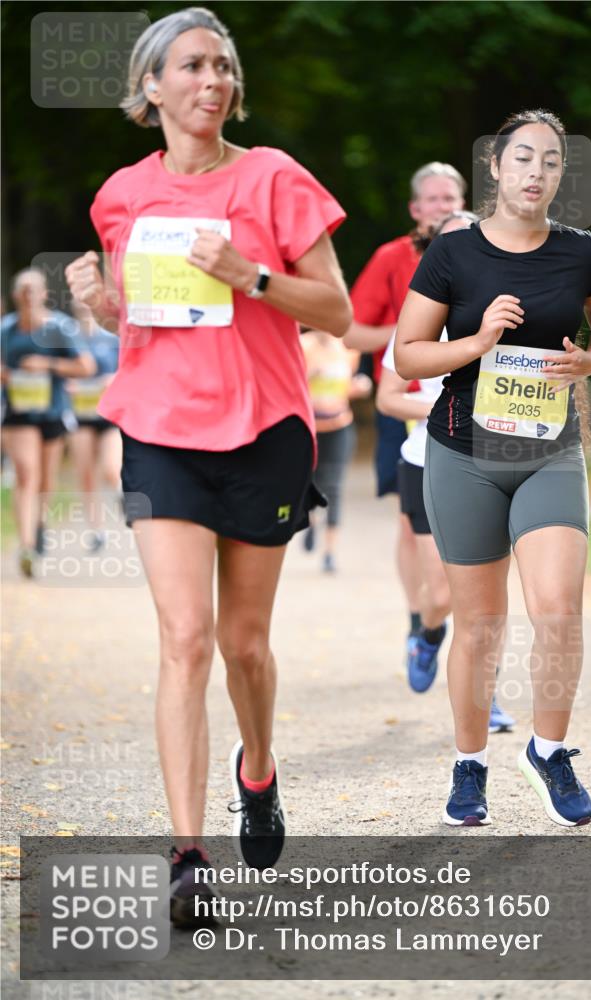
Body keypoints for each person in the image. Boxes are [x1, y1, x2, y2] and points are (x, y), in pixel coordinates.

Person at [64, 6, 351, 924]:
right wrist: (99, 304)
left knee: (242, 644)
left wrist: (251, 275)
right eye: (191, 66)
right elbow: (141, 323)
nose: (212, 82)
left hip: (264, 430)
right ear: (152, 86)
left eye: (222, 67)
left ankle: (256, 772)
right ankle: (188, 854)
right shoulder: (121, 194)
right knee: (184, 637)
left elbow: (337, 312)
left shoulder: (275, 180)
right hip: (159, 431)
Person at [395, 109, 591, 828]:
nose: (536, 172)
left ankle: (548, 749)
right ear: (494, 168)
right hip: (464, 453)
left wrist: (588, 360)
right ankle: (469, 767)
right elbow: (408, 354)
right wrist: (476, 339)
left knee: (557, 610)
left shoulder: (582, 253)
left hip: (548, 452)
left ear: (561, 175)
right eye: (522, 158)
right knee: (480, 627)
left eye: (550, 162)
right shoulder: (452, 254)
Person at [378, 211, 516, 734]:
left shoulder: (511, 316)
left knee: (487, 597)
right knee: (439, 596)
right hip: (428, 462)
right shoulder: (417, 324)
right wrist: (452, 412)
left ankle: (489, 695)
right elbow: (390, 398)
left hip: (496, 465)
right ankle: (429, 636)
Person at [345, 162, 466, 664]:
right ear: (417, 209)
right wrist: (411, 332)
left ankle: (448, 613)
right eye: (433, 201)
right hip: (403, 397)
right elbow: (350, 333)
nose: (443, 207)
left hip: (466, 400)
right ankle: (419, 617)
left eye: (451, 198)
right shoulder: (391, 257)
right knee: (407, 522)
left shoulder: (480, 252)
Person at [1, 269, 94, 577]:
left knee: (45, 482)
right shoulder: (6, 330)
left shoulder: (60, 328)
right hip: (17, 412)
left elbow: (85, 366)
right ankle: (26, 545)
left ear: (43, 295)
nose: (28, 296)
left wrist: (47, 364)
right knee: (27, 473)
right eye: (23, 291)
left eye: (34, 290)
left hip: (53, 412)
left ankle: (40, 524)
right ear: (16, 296)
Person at [300, 329, 372, 573]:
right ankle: (310, 521)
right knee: (307, 482)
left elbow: (351, 383)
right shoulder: (302, 345)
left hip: (340, 425)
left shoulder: (349, 348)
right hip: (308, 426)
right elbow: (289, 380)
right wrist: (311, 374)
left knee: (335, 487)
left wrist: (359, 386)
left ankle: (330, 553)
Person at [66, 302, 122, 551]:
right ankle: (97, 531)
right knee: (86, 474)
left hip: (107, 414)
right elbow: (60, 372)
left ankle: (122, 496)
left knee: (112, 469)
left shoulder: (111, 338)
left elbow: (126, 371)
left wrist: (111, 380)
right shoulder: (67, 339)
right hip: (79, 413)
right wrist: (68, 383)